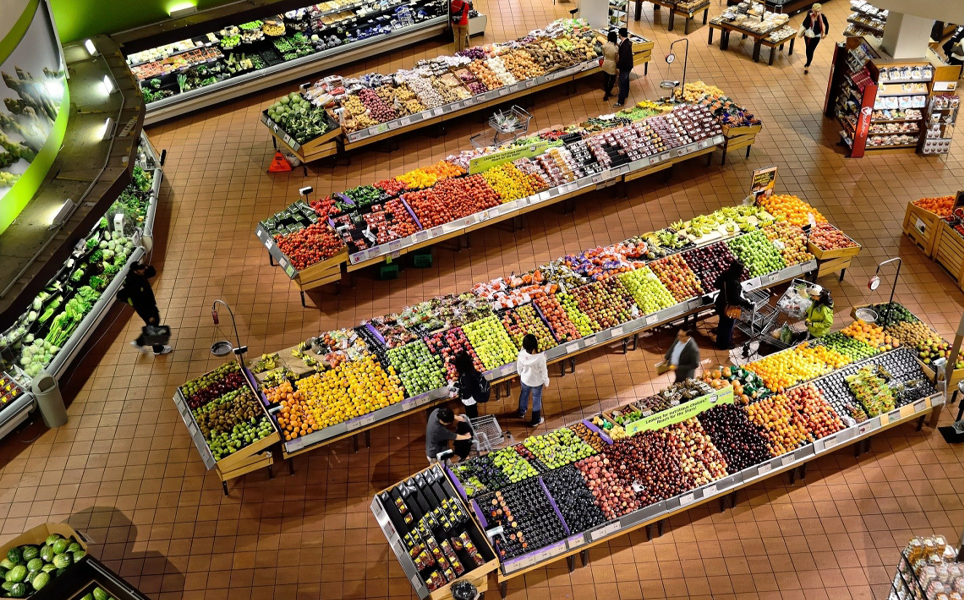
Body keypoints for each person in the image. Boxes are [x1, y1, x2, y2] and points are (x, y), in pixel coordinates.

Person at [118, 262, 171, 356]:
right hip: (146, 309)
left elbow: (152, 272)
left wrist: (146, 267)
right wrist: (149, 315)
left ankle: (140, 342)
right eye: (141, 268)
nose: (144, 269)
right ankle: (157, 349)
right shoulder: (134, 284)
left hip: (148, 306)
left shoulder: (137, 276)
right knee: (153, 325)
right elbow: (140, 302)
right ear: (136, 271)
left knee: (153, 325)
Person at [714, 261, 753, 351]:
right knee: (728, 326)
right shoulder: (734, 281)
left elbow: (716, 284)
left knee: (722, 323)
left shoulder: (726, 274)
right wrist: (747, 303)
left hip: (721, 303)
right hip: (729, 307)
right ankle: (724, 344)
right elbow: (735, 299)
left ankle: (720, 341)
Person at [516, 334, 549, 426]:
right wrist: (546, 382)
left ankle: (521, 412)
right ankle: (535, 420)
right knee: (536, 399)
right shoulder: (540, 357)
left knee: (524, 393)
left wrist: (520, 374)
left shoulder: (522, 354)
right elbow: (544, 371)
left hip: (525, 379)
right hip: (537, 382)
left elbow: (519, 366)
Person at [453, 351, 489, 418]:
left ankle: (473, 423)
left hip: (469, 397)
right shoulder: (470, 367)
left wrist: (458, 386)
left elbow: (467, 389)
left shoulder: (465, 375)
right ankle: (474, 420)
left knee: (471, 411)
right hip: (474, 394)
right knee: (473, 410)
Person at [799, 4, 829, 74]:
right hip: (808, 35)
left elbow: (827, 24)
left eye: (818, 11)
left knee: (811, 49)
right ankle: (808, 60)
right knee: (807, 48)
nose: (817, 13)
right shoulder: (809, 15)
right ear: (812, 10)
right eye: (815, 11)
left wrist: (826, 33)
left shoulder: (822, 16)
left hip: (817, 35)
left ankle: (808, 64)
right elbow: (804, 23)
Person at [614, 27, 633, 108]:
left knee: (622, 83)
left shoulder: (624, 45)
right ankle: (625, 94)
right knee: (626, 81)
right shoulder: (627, 42)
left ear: (620, 34)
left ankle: (620, 101)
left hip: (625, 67)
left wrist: (618, 67)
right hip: (628, 66)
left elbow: (622, 58)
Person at [601, 31, 619, 102]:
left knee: (605, 79)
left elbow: (603, 53)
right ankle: (607, 93)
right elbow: (616, 57)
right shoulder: (616, 48)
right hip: (612, 64)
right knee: (612, 80)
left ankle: (607, 92)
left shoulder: (604, 45)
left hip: (605, 63)